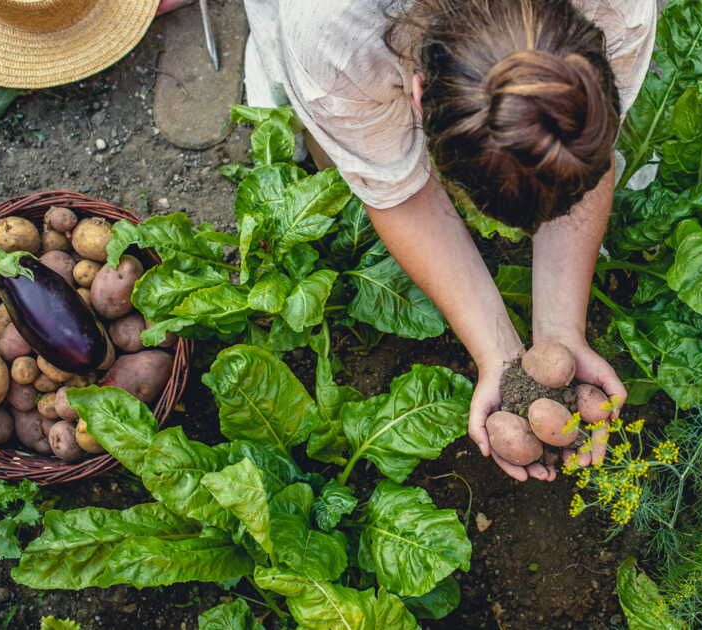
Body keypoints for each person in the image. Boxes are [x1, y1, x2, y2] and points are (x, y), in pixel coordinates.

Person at [243, 0, 657, 481]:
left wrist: (558, 335)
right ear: (419, 96)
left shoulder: (619, 11)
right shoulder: (333, 42)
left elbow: (576, 153)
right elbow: (400, 194)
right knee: (330, 127)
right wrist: (496, 352)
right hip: (334, 36)